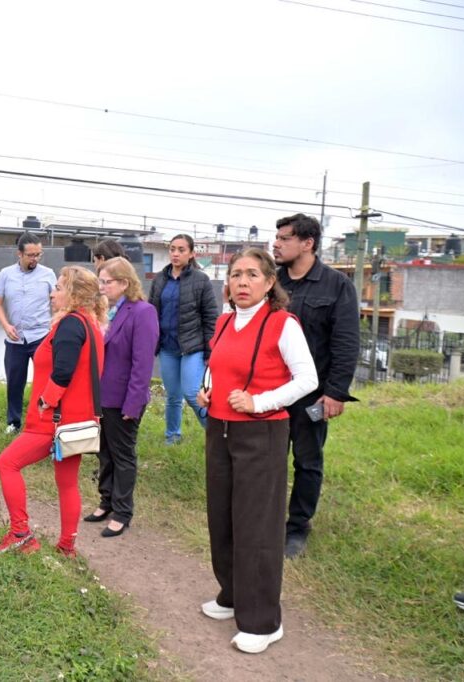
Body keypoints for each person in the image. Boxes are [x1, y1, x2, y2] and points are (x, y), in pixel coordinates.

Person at [196, 247, 317, 654]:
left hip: (261, 433)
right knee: (223, 517)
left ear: (269, 282)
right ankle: (232, 595)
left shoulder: (283, 324)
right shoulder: (225, 321)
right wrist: (208, 389)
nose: (242, 282)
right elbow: (217, 365)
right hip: (220, 429)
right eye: (235, 274)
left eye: (251, 274)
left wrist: (259, 402)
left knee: (257, 526)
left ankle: (264, 621)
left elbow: (307, 379)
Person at [0, 266, 106, 558]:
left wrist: (47, 401)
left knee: (7, 464)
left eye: (58, 287)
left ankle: (21, 534)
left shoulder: (70, 324)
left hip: (53, 421)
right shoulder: (90, 324)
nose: (52, 294)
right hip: (76, 421)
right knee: (67, 484)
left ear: (74, 294)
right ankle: (67, 546)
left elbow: (63, 371)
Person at [272, 213, 359, 559]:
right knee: (269, 460)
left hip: (312, 394)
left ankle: (297, 527)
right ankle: (266, 520)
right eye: (277, 237)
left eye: (285, 238)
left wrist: (335, 392)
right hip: (272, 393)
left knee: (307, 462)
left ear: (308, 243)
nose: (276, 244)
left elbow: (346, 342)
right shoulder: (272, 282)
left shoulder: (336, 285)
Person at [84, 257, 158, 538]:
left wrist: (133, 403)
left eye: (107, 282)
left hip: (124, 398)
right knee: (104, 453)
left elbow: (143, 364)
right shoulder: (109, 311)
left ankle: (123, 512)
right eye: (100, 281)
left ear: (125, 283)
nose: (102, 286)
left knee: (122, 455)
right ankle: (106, 501)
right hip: (102, 396)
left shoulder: (143, 312)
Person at [149, 234, 219, 445]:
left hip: (192, 347)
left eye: (181, 250)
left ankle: (217, 434)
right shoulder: (160, 279)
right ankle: (172, 436)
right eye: (172, 249)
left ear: (191, 253)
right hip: (167, 347)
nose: (175, 254)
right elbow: (151, 312)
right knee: (173, 396)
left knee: (191, 392)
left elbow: (210, 317)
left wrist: (210, 350)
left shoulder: (201, 280)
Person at [0, 232, 56, 435]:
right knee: (14, 382)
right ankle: (14, 423)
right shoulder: (6, 274)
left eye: (38, 254)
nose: (35, 259)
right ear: (19, 254)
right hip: (15, 338)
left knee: (45, 382)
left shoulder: (48, 274)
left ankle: (44, 423)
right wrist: (5, 325)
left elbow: (57, 302)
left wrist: (55, 325)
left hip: (41, 337)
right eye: (31, 255)